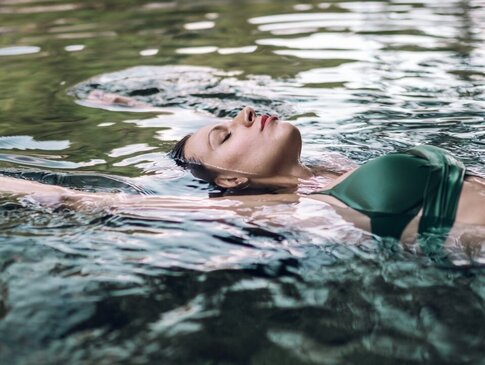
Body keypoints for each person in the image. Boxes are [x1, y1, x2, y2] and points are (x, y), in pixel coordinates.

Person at [1, 106, 485, 255]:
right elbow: (72, 196)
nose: (244, 112)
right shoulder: (268, 210)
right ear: (231, 179)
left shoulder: (328, 170)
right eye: (225, 134)